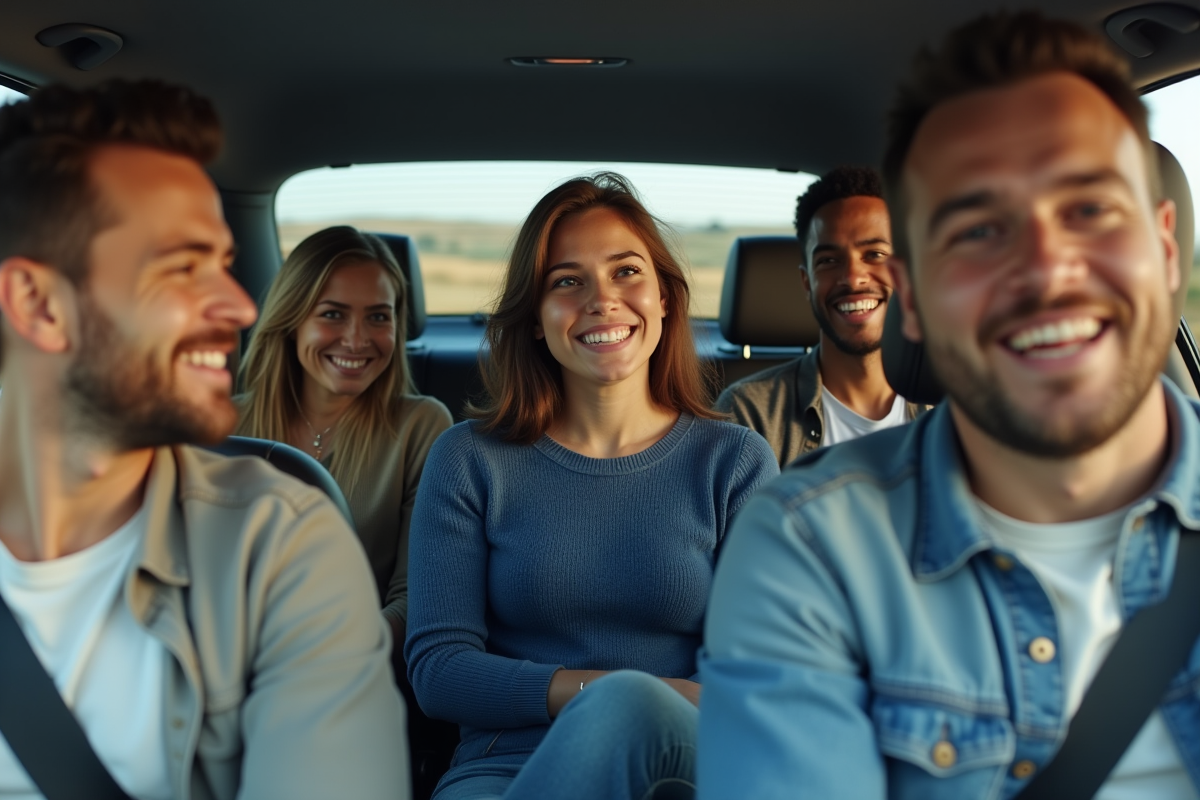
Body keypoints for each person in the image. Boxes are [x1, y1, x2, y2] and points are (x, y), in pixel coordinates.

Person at [699, 11, 1200, 799]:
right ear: (918, 299)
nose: (1044, 270)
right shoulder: (809, 545)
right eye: (977, 229)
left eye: (1089, 208)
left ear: (1165, 247)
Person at [0, 80, 408, 798]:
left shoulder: (276, 545)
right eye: (182, 268)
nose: (240, 304)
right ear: (38, 305)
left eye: (222, 263)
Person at [405, 172, 778, 799]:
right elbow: (440, 671)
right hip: (504, 767)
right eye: (567, 281)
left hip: (686, 767)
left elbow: (758, 670)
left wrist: (644, 706)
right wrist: (605, 693)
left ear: (665, 299)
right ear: (533, 319)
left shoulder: (734, 462)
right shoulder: (467, 460)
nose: (602, 300)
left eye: (627, 271)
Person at [237, 225, 453, 644]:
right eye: (333, 314)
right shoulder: (224, 424)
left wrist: (334, 654)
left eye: (378, 316)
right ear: (291, 319)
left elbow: (417, 598)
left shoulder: (420, 426)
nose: (357, 340)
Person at [715, 166, 924, 467]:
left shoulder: (955, 404)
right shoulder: (749, 414)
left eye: (874, 254)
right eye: (828, 261)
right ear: (806, 282)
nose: (852, 279)